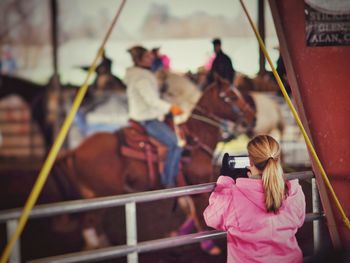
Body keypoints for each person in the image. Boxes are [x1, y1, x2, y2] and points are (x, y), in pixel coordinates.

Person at [204, 135, 306, 263]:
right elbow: (299, 220)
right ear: (277, 159)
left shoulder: (233, 196)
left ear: (250, 162)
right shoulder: (293, 191)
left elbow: (211, 218)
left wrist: (224, 180)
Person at [125, 45, 183, 188]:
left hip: (146, 116)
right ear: (139, 60)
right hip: (146, 119)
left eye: (151, 56)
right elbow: (151, 101)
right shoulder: (141, 78)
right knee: (175, 144)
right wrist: (170, 107)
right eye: (147, 56)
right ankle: (168, 182)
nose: (151, 58)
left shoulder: (141, 74)